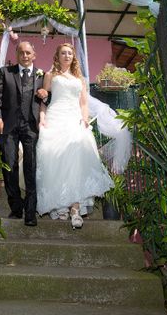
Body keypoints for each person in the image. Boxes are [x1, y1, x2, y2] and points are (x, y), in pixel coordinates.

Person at [36, 43, 114, 229]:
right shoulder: (50, 75)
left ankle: (75, 208)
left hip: (74, 120)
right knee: (56, 160)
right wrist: (42, 118)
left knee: (76, 161)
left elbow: (84, 104)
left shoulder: (80, 79)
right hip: (55, 118)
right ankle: (61, 205)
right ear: (57, 56)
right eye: (63, 53)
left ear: (73, 57)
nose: (67, 56)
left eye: (70, 53)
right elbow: (44, 100)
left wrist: (85, 119)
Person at [0, 41, 46, 226]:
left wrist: (46, 94)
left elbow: (49, 98)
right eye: (21, 52)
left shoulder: (42, 75)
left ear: (34, 54)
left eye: (28, 52)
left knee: (30, 167)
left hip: (30, 126)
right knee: (9, 166)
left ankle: (31, 213)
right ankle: (16, 208)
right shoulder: (6, 72)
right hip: (8, 125)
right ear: (16, 54)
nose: (25, 56)